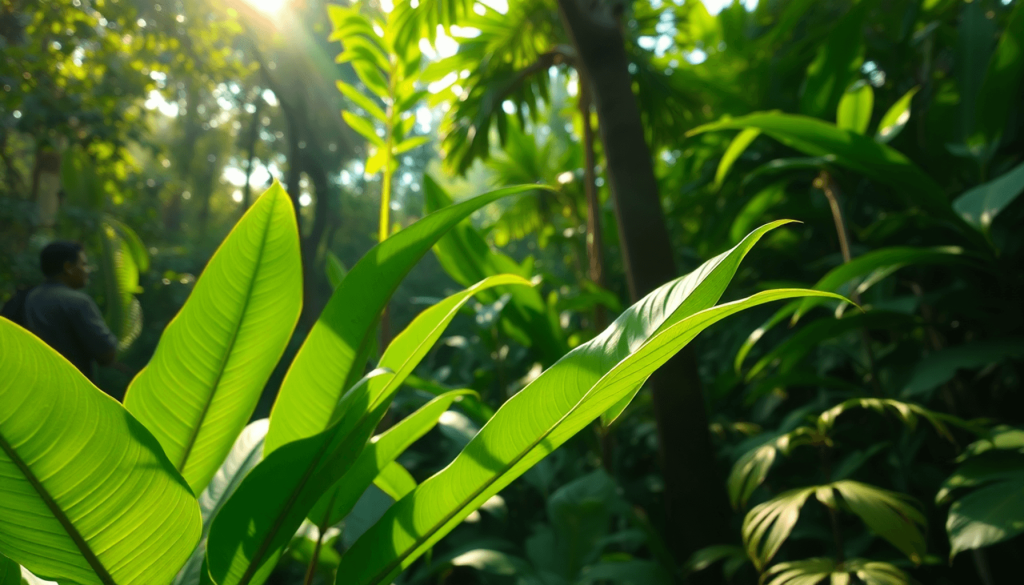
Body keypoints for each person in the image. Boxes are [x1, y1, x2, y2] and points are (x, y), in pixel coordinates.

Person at [23, 241, 118, 381]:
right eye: (84, 264)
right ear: (68, 268)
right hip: (74, 389)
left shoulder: (32, 298)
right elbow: (106, 353)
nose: (88, 270)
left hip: (40, 383)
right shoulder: (78, 302)